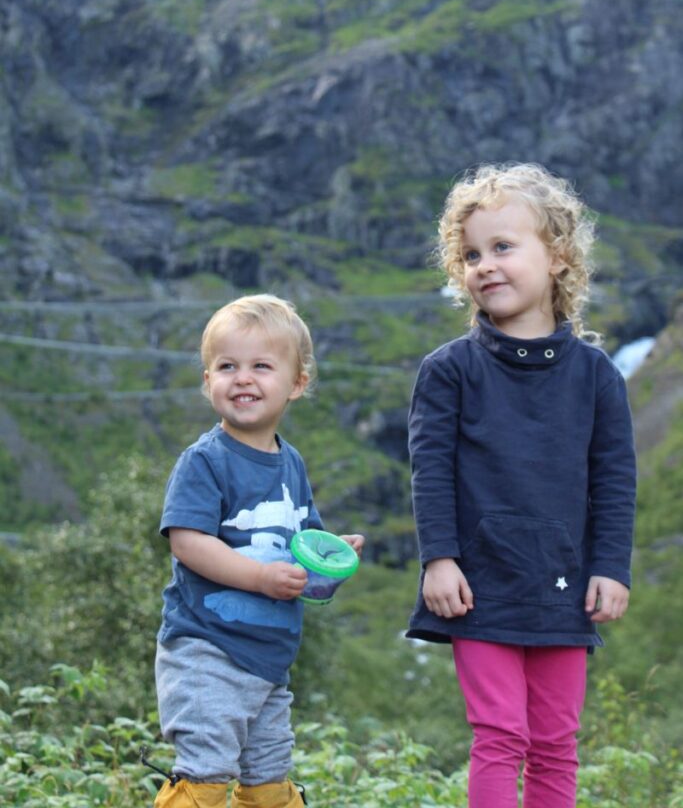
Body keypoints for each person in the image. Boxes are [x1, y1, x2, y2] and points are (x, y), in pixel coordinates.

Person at [406, 163, 637, 808]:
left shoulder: (598, 377)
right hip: (477, 586)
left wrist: (611, 568)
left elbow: (615, 482)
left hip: (565, 586)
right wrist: (440, 559)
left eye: (504, 247)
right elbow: (432, 472)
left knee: (557, 743)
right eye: (472, 253)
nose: (486, 265)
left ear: (558, 256)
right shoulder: (448, 372)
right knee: (501, 735)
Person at [153, 294, 364, 808]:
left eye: (261, 367)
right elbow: (188, 543)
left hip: (269, 658)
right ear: (208, 383)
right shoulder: (204, 461)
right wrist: (260, 579)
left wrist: (331, 553)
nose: (242, 378)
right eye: (227, 366)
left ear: (297, 383)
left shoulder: (291, 463)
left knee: (269, 781)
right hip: (208, 650)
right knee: (204, 773)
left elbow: (302, 541)